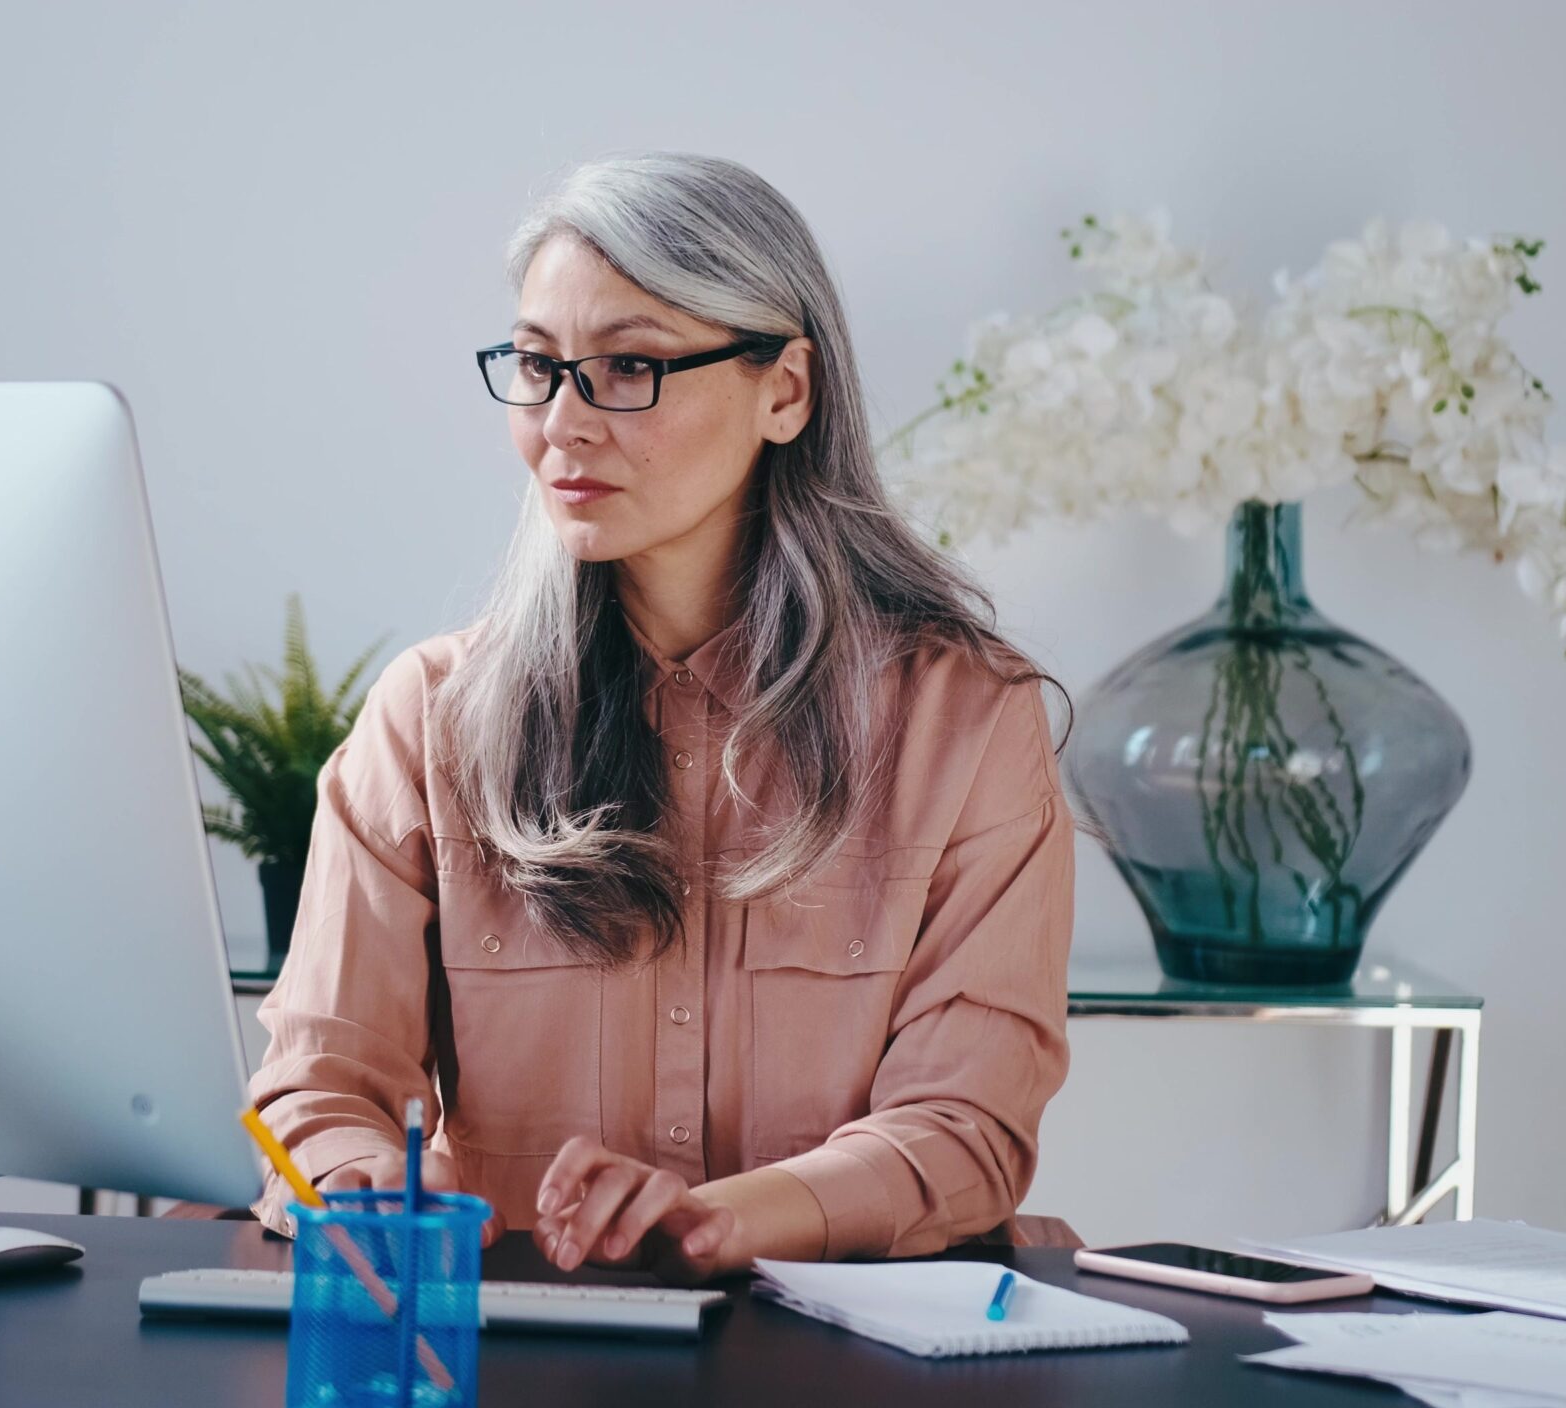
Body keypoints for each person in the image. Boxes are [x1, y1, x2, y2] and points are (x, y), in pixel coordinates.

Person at [247, 152, 1074, 1283]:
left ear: (785, 390)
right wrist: (362, 1183)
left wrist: (717, 1219)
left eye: (629, 367)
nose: (560, 425)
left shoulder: (966, 723)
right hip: (500, 1362)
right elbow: (319, 1087)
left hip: (833, 1368)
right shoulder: (428, 719)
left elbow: (963, 1133)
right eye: (538, 367)